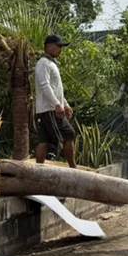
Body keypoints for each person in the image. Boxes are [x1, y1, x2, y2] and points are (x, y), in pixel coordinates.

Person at [34, 34, 77, 168]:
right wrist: (57, 105)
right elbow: (44, 85)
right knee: (69, 134)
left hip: (48, 108)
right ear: (49, 46)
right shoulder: (43, 63)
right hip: (50, 109)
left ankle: (38, 170)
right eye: (59, 46)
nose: (60, 50)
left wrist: (65, 104)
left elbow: (56, 89)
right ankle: (73, 168)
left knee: (44, 140)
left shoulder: (51, 64)